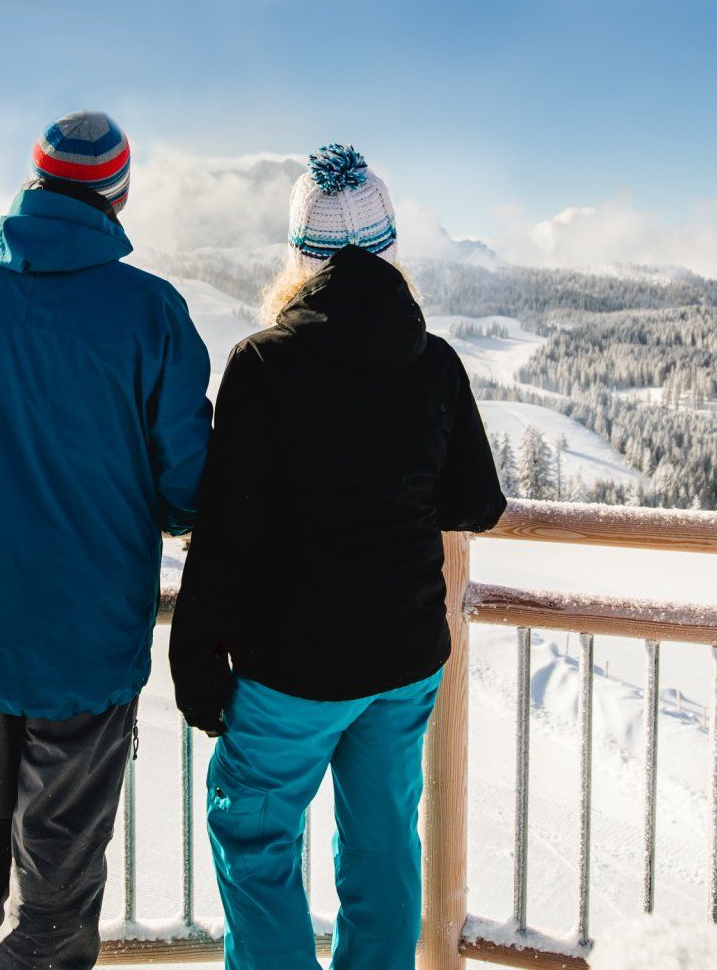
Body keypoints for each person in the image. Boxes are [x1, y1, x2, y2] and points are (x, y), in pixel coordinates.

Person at [0, 111, 212, 970]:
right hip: (85, 634)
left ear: (33, 179)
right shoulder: (150, 311)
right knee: (54, 875)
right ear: (119, 193)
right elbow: (189, 485)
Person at [169, 143, 505, 970]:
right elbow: (477, 503)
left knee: (253, 831)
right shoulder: (434, 362)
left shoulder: (263, 363)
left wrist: (196, 655)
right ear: (391, 250)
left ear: (299, 258)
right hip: (404, 657)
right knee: (384, 839)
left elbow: (226, 530)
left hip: (294, 666)